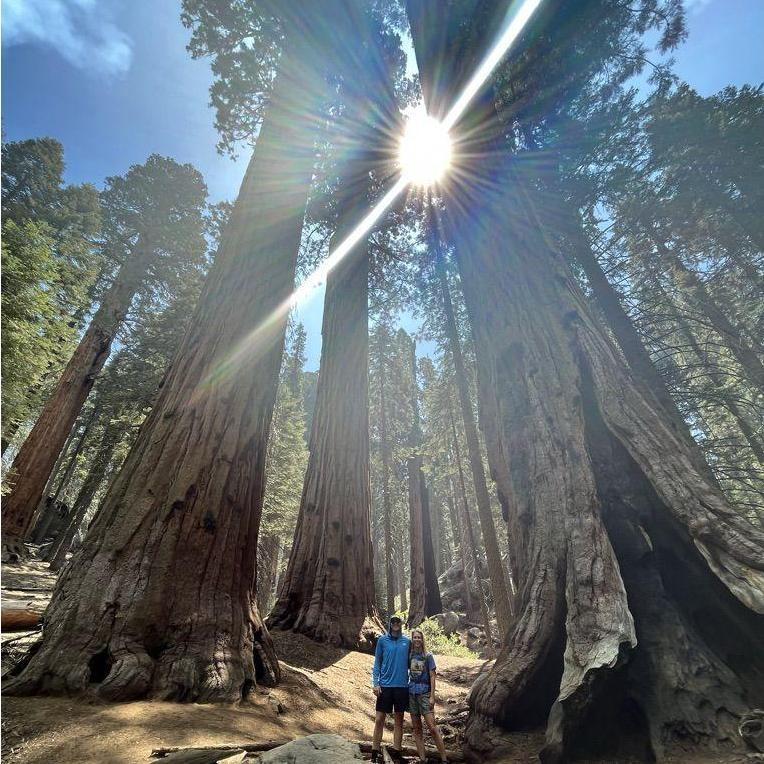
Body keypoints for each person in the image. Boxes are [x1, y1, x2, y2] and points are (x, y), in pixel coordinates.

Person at [371, 615, 411, 763]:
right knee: (379, 719)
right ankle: (375, 752)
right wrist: (375, 683)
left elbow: (413, 662)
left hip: (401, 687)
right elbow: (377, 663)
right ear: (390, 624)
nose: (395, 624)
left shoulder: (407, 642)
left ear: (401, 624)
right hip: (385, 686)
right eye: (393, 621)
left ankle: (396, 752)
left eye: (398, 621)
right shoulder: (382, 640)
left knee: (399, 720)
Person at [409, 628, 449, 764]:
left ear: (422, 639)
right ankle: (422, 759)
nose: (417, 640)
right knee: (417, 728)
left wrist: (432, 696)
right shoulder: (410, 655)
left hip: (425, 693)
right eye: (415, 637)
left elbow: (433, 676)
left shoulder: (428, 656)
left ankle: (444, 759)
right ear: (412, 639)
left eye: (419, 637)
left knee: (432, 727)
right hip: (412, 694)